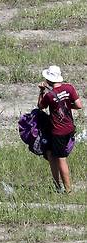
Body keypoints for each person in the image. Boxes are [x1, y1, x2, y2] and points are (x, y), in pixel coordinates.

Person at [37, 65, 83, 193]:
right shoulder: (69, 88)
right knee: (51, 154)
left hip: (58, 131)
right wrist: (67, 106)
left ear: (49, 79)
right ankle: (57, 185)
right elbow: (79, 105)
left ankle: (67, 190)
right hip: (69, 127)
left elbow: (40, 106)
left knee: (61, 159)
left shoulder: (49, 96)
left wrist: (41, 91)